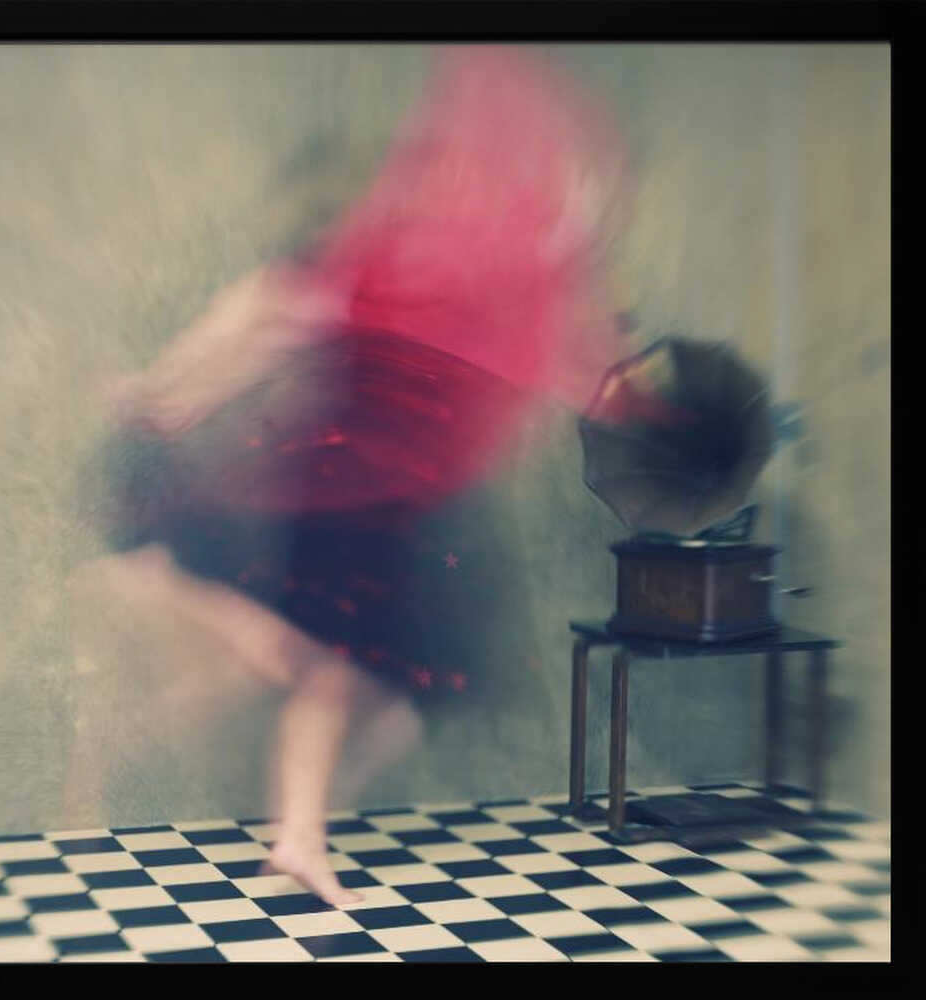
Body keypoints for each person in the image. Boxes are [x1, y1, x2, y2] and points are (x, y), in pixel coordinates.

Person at [67, 45, 630, 908]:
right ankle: (293, 826)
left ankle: (299, 828)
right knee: (326, 671)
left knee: (374, 691)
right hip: (342, 492)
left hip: (385, 503)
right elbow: (263, 318)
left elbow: (545, 348)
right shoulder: (368, 271)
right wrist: (167, 392)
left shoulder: (453, 276)